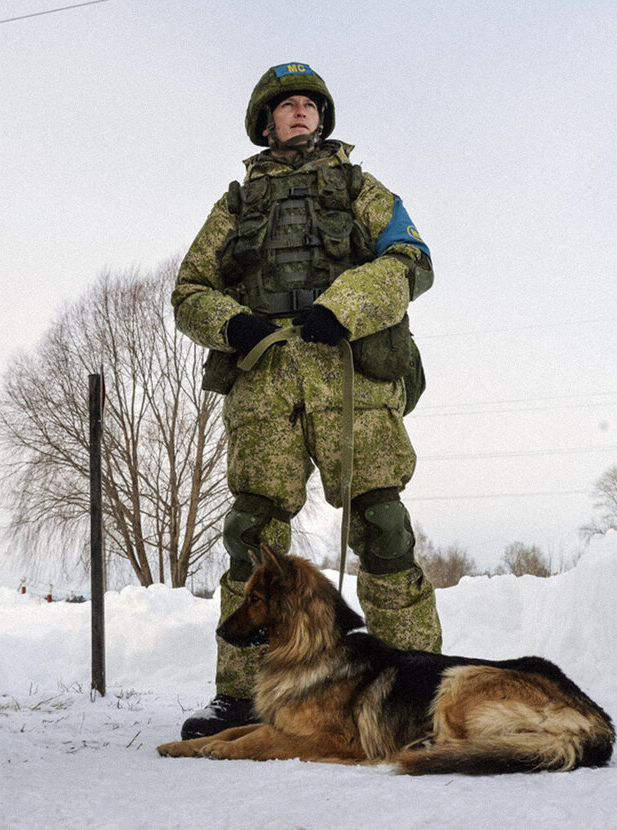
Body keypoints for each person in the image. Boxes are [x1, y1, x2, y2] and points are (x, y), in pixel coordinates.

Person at [171, 62, 442, 739]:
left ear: (321, 117)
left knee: (382, 526)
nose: (298, 113)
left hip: (346, 367)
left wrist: (343, 307)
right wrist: (234, 325)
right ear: (265, 122)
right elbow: (190, 290)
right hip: (266, 373)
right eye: (285, 106)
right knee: (252, 537)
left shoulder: (358, 187)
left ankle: (427, 692)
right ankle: (239, 697)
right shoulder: (235, 205)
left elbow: (410, 258)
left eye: (308, 104)